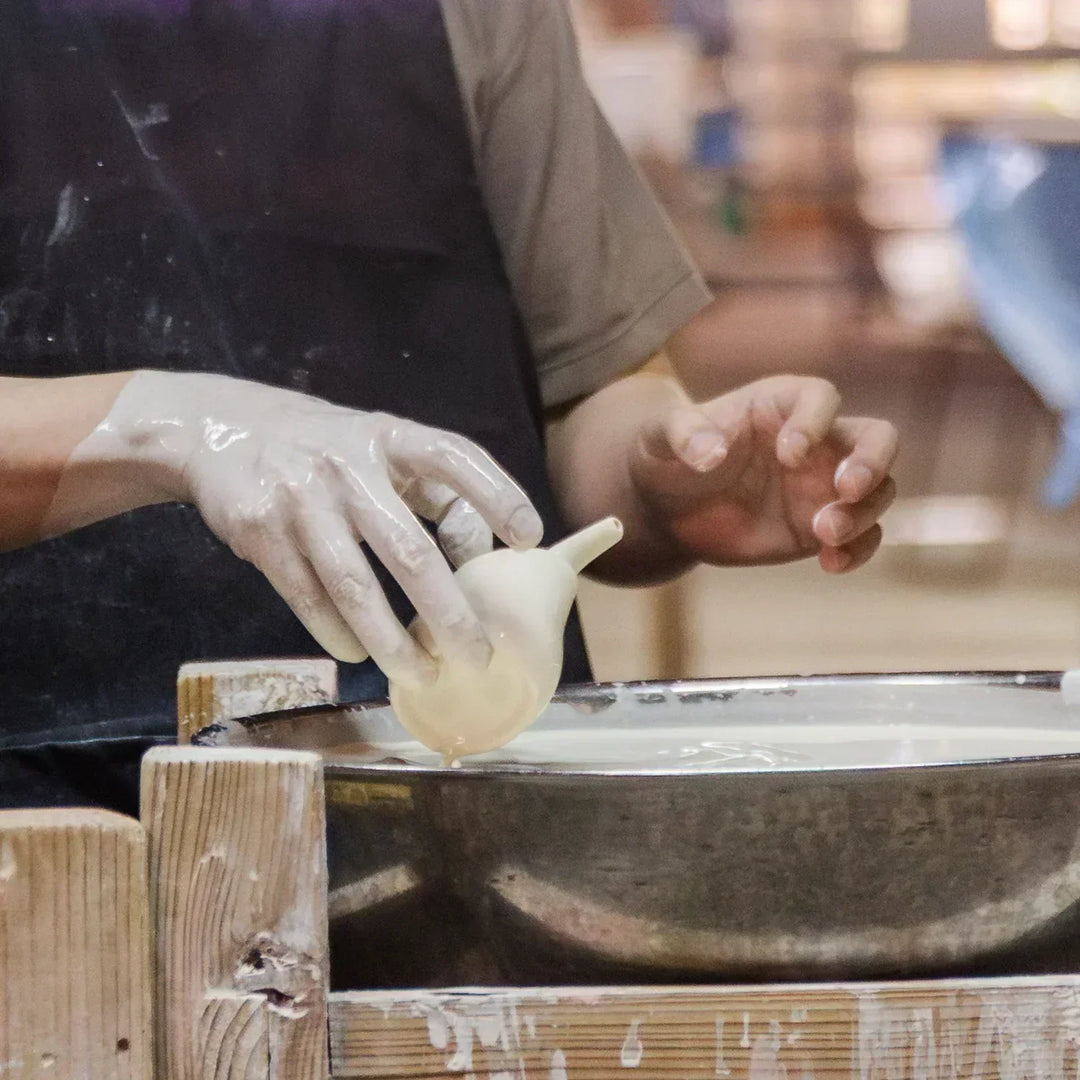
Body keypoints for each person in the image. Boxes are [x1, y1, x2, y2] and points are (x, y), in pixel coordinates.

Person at [0, 0, 897, 811]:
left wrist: (662, 478)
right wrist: (169, 428)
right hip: (41, 827)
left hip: (457, 810)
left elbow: (588, 393)